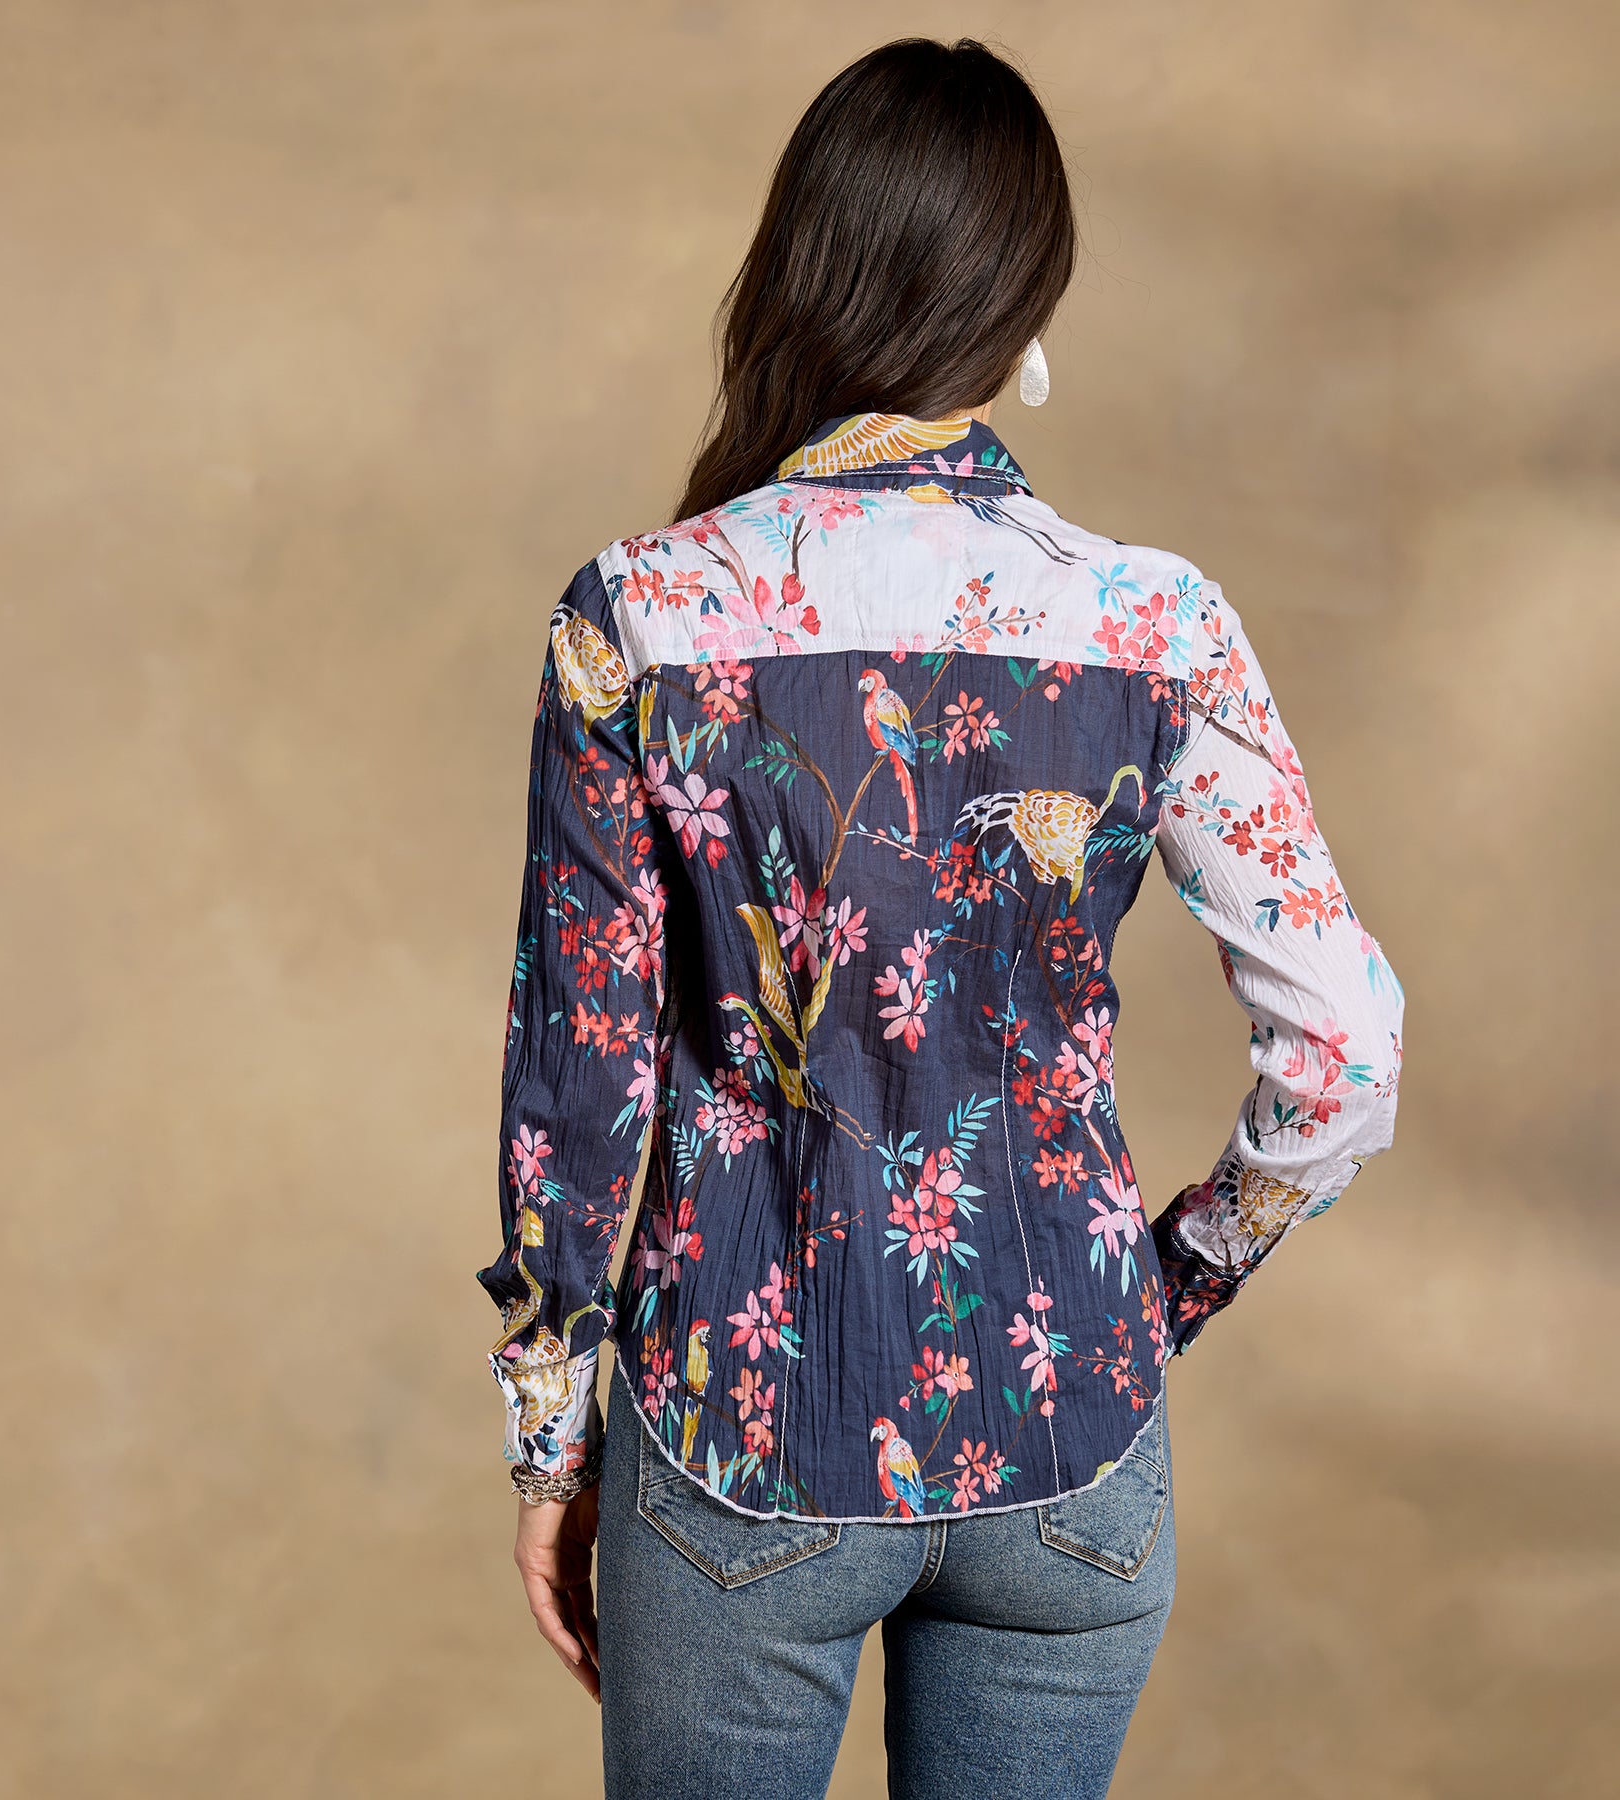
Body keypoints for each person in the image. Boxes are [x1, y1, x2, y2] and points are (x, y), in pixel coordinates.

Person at [475, 35, 1404, 1800]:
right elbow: (1345, 1059)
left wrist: (547, 1442)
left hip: (742, 1442)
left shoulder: (640, 617)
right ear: (1022, 316)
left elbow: (581, 1088)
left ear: (800, 272)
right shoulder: (1160, 626)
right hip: (1076, 1441)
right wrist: (1163, 1288)